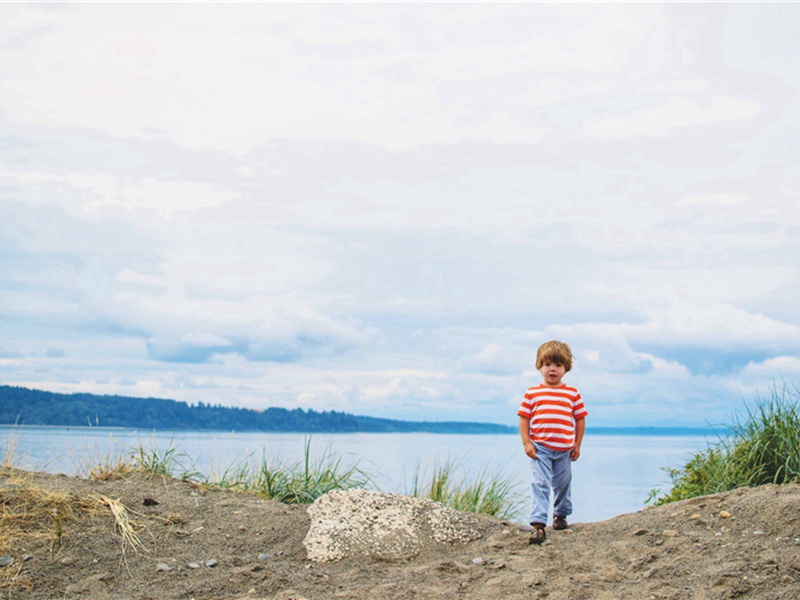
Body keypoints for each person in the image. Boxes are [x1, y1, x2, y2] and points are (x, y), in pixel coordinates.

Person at [517, 340, 587, 545]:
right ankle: (538, 524)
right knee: (540, 483)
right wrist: (526, 443)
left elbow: (580, 419)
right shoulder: (532, 393)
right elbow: (524, 418)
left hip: (565, 449)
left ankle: (561, 515)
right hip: (541, 448)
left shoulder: (572, 393)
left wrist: (577, 444)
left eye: (557, 365)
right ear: (539, 366)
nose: (552, 369)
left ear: (566, 368)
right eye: (547, 364)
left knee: (563, 483)